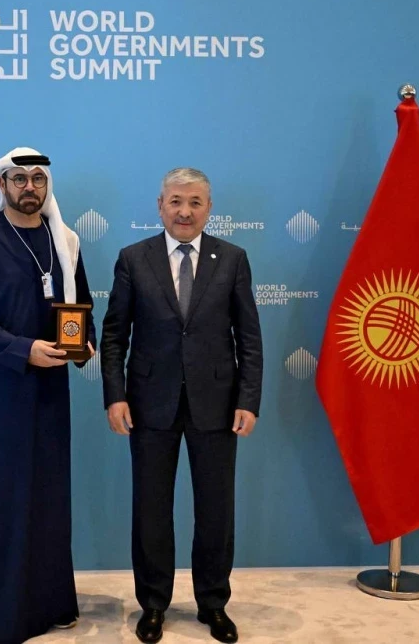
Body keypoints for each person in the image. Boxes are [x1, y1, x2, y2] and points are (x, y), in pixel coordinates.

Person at [100, 167, 263, 643]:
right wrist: (115, 395)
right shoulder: (134, 259)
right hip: (149, 404)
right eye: (175, 201)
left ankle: (213, 603)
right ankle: (153, 604)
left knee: (216, 512)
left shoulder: (232, 259)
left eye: (194, 202)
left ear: (209, 208)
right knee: (151, 511)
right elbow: (114, 336)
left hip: (217, 405)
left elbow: (249, 338)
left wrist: (248, 399)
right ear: (160, 206)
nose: (184, 211)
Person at [0, 147, 95, 644]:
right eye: (19, 179)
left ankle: (51, 605)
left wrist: (85, 343)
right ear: (2, 185)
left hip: (50, 393)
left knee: (48, 497)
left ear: (47, 185)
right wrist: (22, 349)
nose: (30, 187)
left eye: (37, 178)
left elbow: (81, 303)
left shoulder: (64, 240)